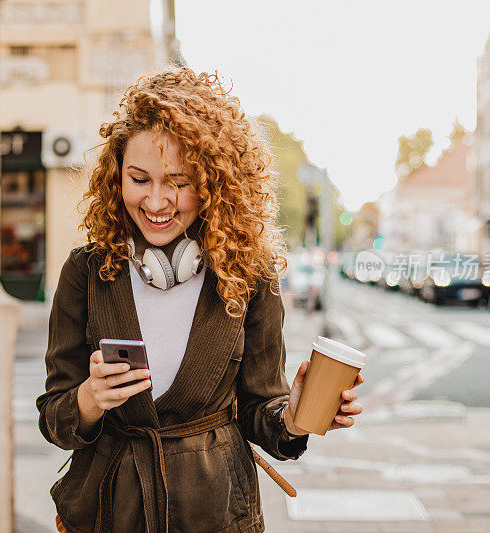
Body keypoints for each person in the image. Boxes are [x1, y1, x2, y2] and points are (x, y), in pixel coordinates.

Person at [36, 67, 364, 533]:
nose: (156, 200)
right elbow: (55, 418)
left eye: (179, 181)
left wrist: (293, 416)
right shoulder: (85, 272)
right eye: (139, 179)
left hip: (215, 514)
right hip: (106, 513)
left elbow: (258, 413)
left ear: (214, 184)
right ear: (116, 178)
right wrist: (90, 398)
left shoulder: (249, 276)